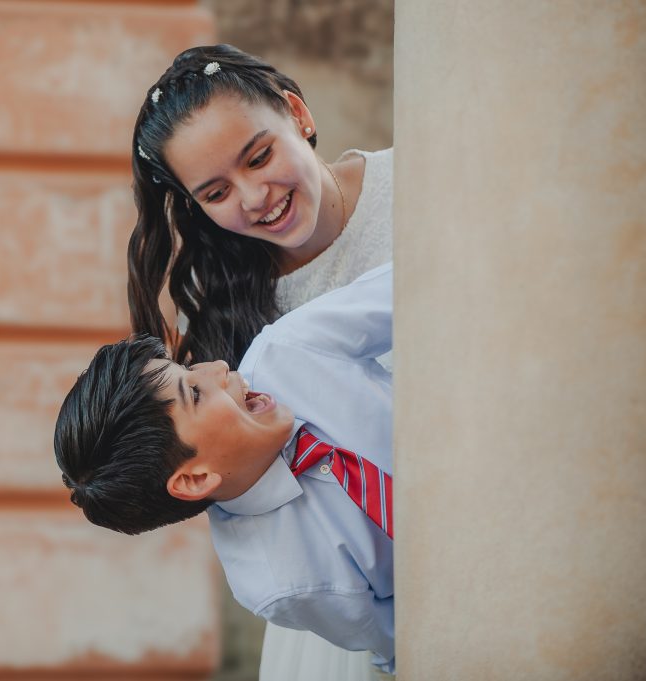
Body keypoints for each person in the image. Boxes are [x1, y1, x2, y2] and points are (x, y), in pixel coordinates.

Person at [127, 44, 393, 679]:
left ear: (297, 114)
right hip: (352, 610)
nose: (255, 196)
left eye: (260, 156)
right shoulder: (220, 315)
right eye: (217, 191)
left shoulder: (424, 189)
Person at [55, 263, 395, 676]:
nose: (218, 368)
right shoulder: (280, 580)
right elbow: (403, 637)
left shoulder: (287, 350)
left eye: (189, 369)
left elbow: (418, 286)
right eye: (195, 393)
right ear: (195, 478)